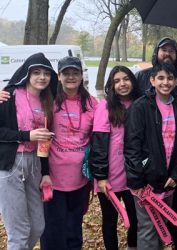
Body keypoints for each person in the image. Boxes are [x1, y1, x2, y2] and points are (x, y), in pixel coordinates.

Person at [124, 63, 177, 250]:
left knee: (161, 226)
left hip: (168, 180)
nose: (165, 82)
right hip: (146, 182)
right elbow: (132, 146)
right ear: (152, 80)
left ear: (176, 81)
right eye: (160, 78)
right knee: (148, 228)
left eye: (170, 78)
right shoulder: (141, 107)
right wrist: (137, 181)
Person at [40, 56, 98, 250]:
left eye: (75, 73)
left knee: (74, 228)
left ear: (81, 76)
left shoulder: (92, 104)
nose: (71, 77)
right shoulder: (48, 100)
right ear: (59, 76)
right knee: (53, 229)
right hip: (52, 179)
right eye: (66, 73)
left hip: (80, 179)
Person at [0, 53, 57, 250]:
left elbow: (45, 142)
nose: (42, 77)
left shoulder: (47, 101)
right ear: (27, 73)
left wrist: (46, 173)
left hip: (35, 165)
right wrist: (27, 135)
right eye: (36, 73)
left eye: (46, 73)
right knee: (19, 231)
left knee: (37, 226)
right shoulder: (10, 94)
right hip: (10, 164)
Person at [89, 66, 141, 250]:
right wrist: (101, 176)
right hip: (109, 176)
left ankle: (132, 246)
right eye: (117, 81)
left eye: (126, 79)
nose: (122, 84)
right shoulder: (105, 106)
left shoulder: (140, 103)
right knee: (110, 220)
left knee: (135, 218)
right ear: (111, 85)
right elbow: (99, 143)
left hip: (133, 175)